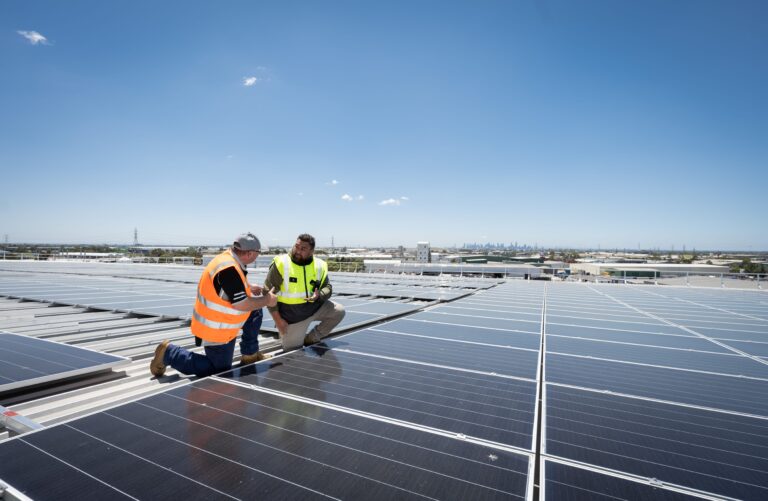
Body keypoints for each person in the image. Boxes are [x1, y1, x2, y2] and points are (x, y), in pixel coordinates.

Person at [150, 233, 277, 378]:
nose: (258, 256)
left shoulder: (227, 258)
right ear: (249, 253)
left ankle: (250, 355)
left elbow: (228, 287)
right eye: (258, 253)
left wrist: (247, 287)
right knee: (219, 370)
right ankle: (169, 353)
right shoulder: (228, 269)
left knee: (255, 308)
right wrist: (268, 300)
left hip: (223, 321)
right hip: (216, 329)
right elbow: (242, 304)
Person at [264, 233, 345, 351]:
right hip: (292, 317)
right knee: (292, 353)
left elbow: (328, 287)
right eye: (296, 246)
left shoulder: (319, 265)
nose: (297, 250)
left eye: (303, 249)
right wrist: (279, 321)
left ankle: (311, 338)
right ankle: (294, 336)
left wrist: (320, 295)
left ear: (311, 251)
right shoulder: (281, 263)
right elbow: (267, 294)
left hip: (315, 309)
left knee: (339, 311)